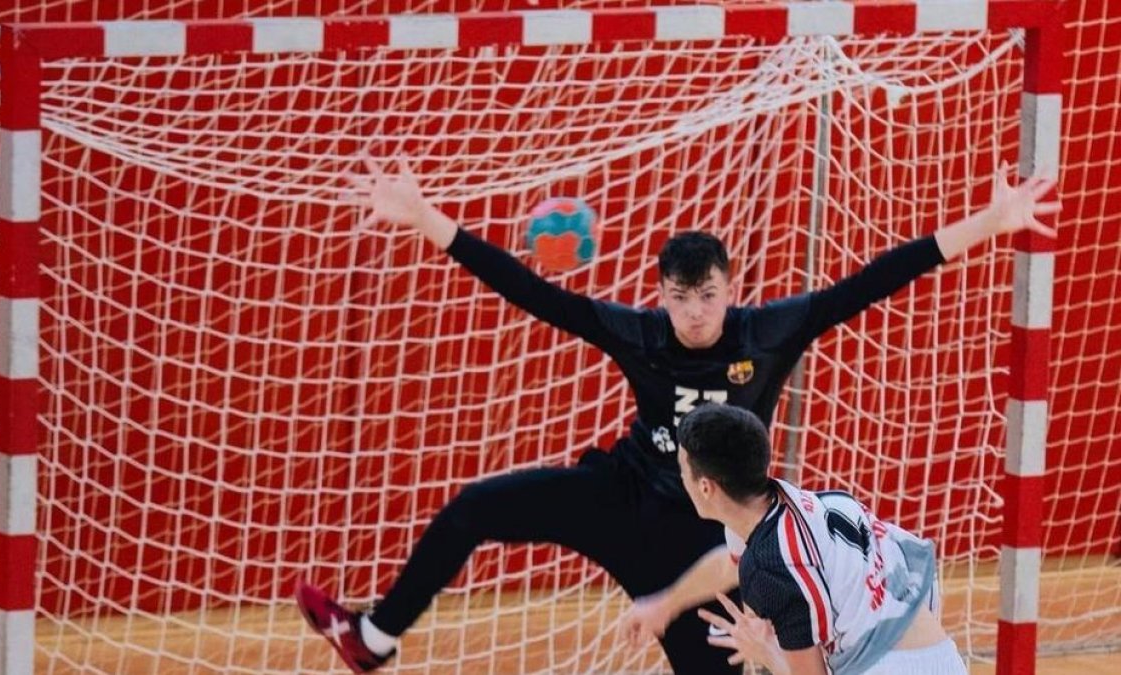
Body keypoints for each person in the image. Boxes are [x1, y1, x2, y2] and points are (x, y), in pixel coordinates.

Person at [296, 158, 1056, 674]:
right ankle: (375, 636)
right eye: (679, 296)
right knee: (473, 508)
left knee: (715, 662)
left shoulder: (770, 331)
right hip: (624, 495)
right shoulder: (640, 333)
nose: (695, 312)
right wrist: (430, 217)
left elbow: (872, 281)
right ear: (660, 292)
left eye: (708, 295)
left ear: (731, 289)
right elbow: (535, 296)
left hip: (708, 535)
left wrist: (989, 222)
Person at [622, 401, 966, 675]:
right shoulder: (812, 503)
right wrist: (665, 605)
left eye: (682, 469)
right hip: (944, 658)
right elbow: (729, 567)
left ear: (706, 487)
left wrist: (765, 653)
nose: (680, 477)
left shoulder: (769, 569)